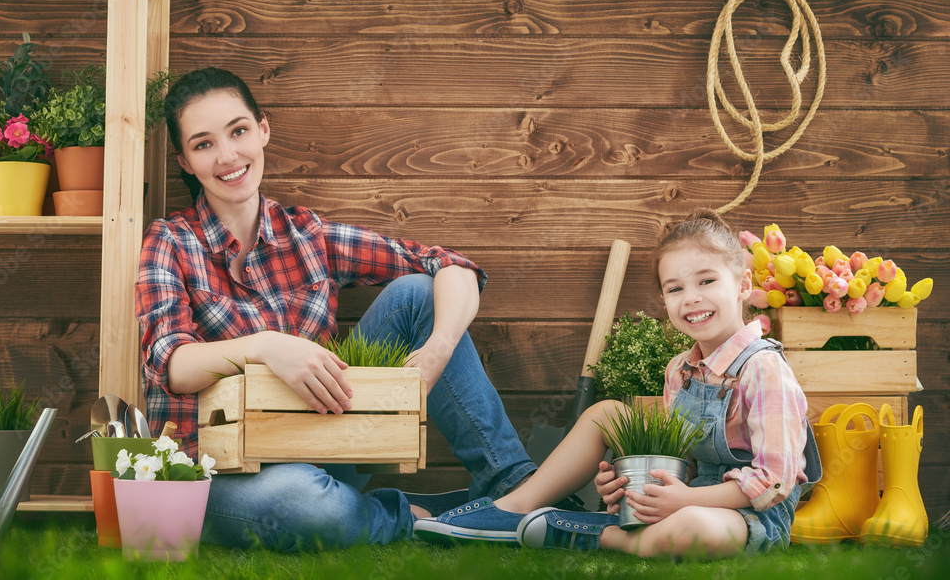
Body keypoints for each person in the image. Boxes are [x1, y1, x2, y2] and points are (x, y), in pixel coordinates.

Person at [135, 67, 536, 551]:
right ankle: (420, 516)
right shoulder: (170, 240)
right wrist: (266, 348)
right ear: (185, 159)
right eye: (203, 144)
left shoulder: (307, 234)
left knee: (416, 292)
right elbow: (170, 362)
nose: (228, 156)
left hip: (321, 446)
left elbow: (451, 267)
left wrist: (436, 351)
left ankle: (517, 493)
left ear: (263, 130)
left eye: (238, 131)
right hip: (216, 475)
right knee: (303, 501)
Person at [415, 209, 822, 557]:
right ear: (665, 302)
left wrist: (686, 500)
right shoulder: (679, 369)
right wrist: (634, 484)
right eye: (675, 288)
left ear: (744, 285)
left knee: (694, 527)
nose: (691, 298)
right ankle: (513, 509)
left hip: (749, 516)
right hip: (687, 496)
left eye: (706, 281)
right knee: (607, 412)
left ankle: (597, 535)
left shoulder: (764, 368)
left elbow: (775, 480)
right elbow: (686, 462)